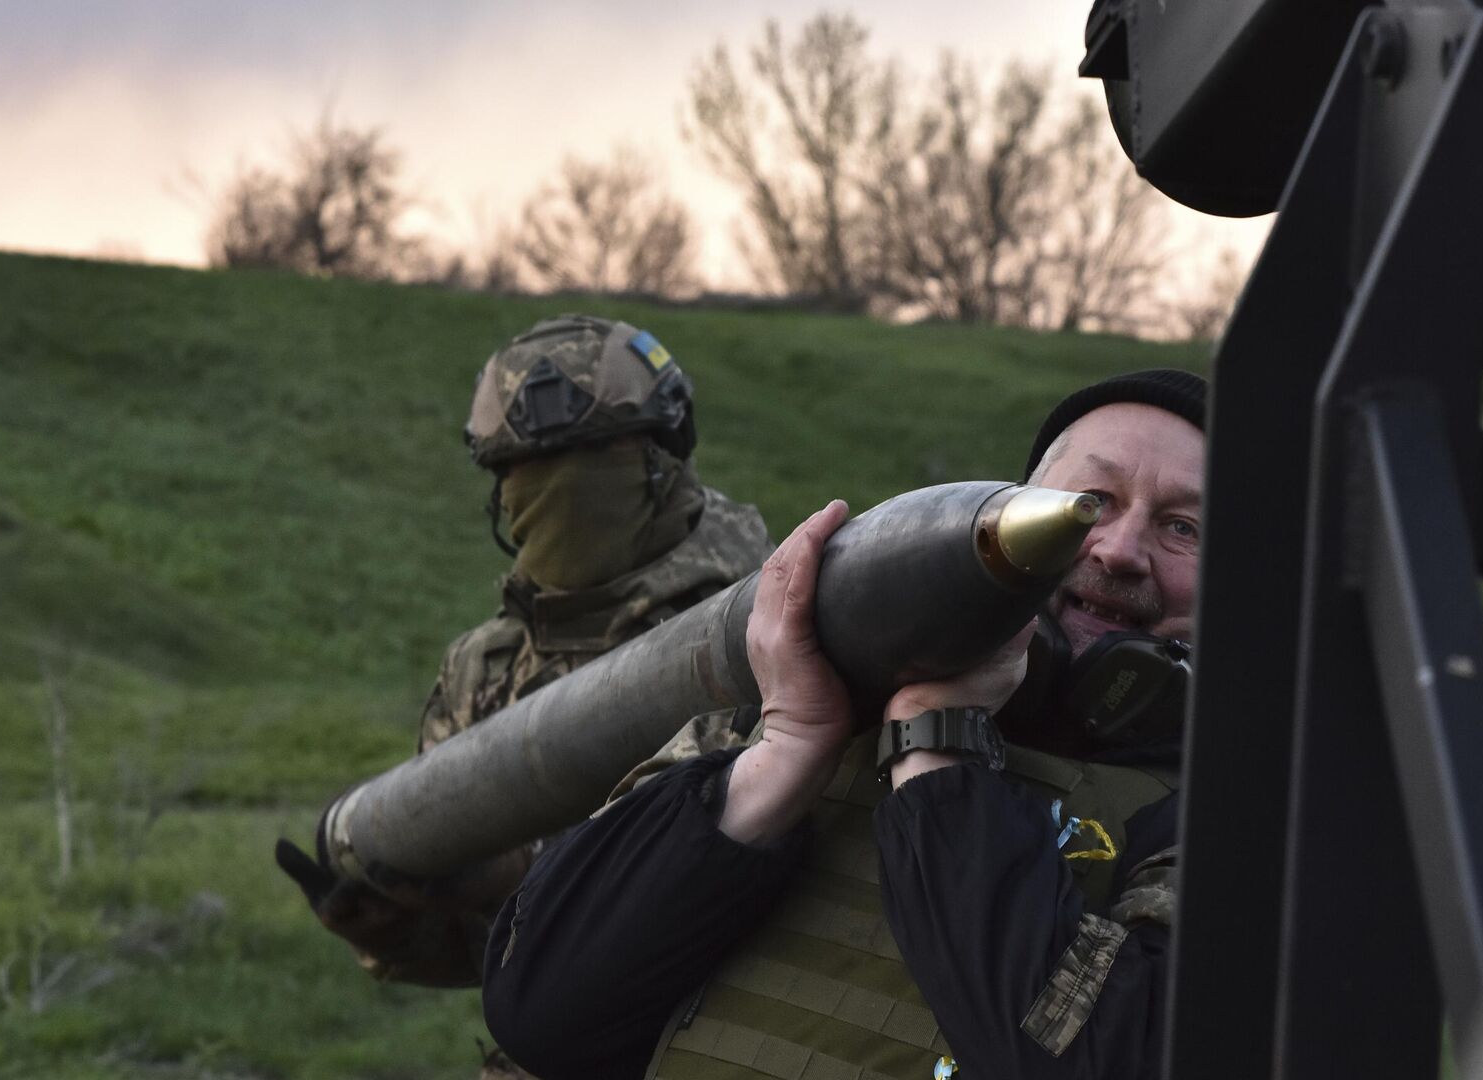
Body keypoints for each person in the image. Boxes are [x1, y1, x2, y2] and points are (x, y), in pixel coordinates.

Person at [481, 369, 1208, 1079]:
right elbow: (539, 1012)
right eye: (1091, 500)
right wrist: (792, 744)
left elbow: (1111, 1056)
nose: (1118, 550)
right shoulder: (797, 711)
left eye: (1183, 528)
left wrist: (937, 739)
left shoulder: (1226, 829)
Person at [274, 314, 772, 1078]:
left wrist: (523, 873)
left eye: (580, 460)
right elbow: (502, 960)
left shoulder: (766, 626)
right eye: (515, 471)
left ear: (659, 458)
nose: (537, 495)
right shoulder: (487, 667)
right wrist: (394, 925)